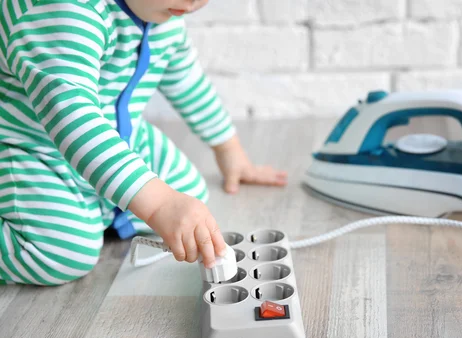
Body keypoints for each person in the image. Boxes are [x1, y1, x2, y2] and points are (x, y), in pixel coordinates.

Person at [0, 0, 287, 286]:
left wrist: (227, 148)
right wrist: (159, 204)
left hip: (116, 133)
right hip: (31, 149)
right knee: (62, 254)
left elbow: (185, 77)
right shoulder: (66, 14)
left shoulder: (163, 11)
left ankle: (103, 208)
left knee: (189, 194)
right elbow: (73, 119)